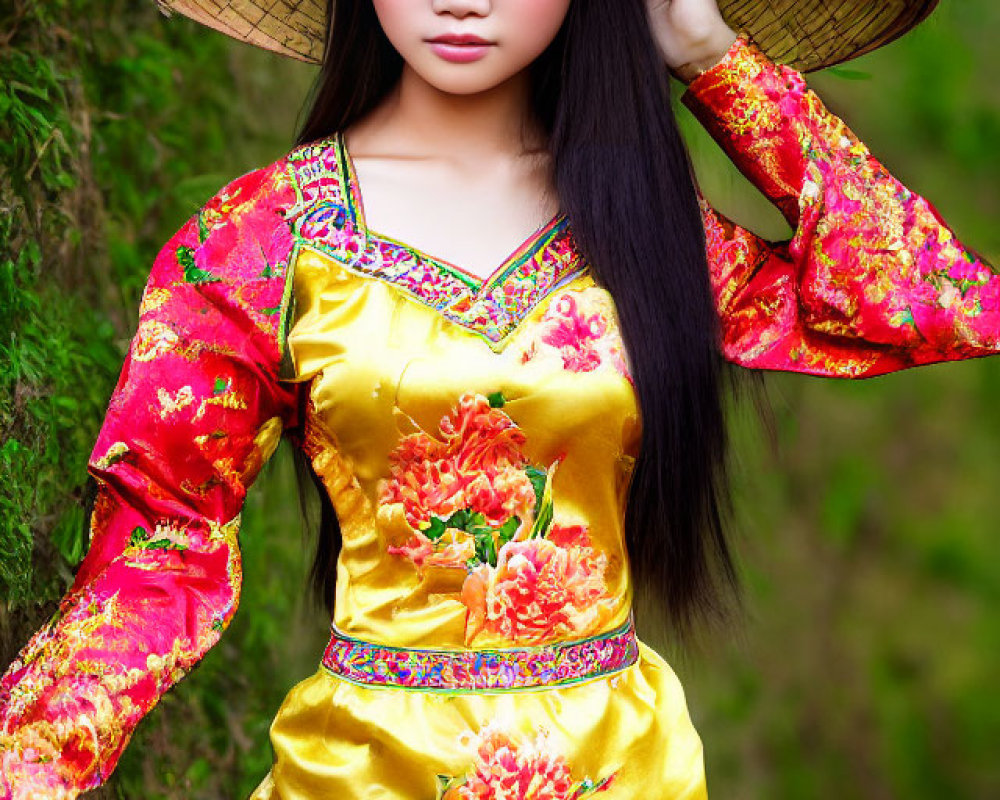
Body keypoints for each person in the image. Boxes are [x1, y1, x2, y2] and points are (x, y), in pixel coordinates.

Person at [1, 0, 996, 797]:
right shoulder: (258, 237)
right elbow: (160, 538)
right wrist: (36, 756)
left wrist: (707, 51)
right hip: (364, 768)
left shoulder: (649, 229)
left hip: (623, 766)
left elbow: (931, 302)